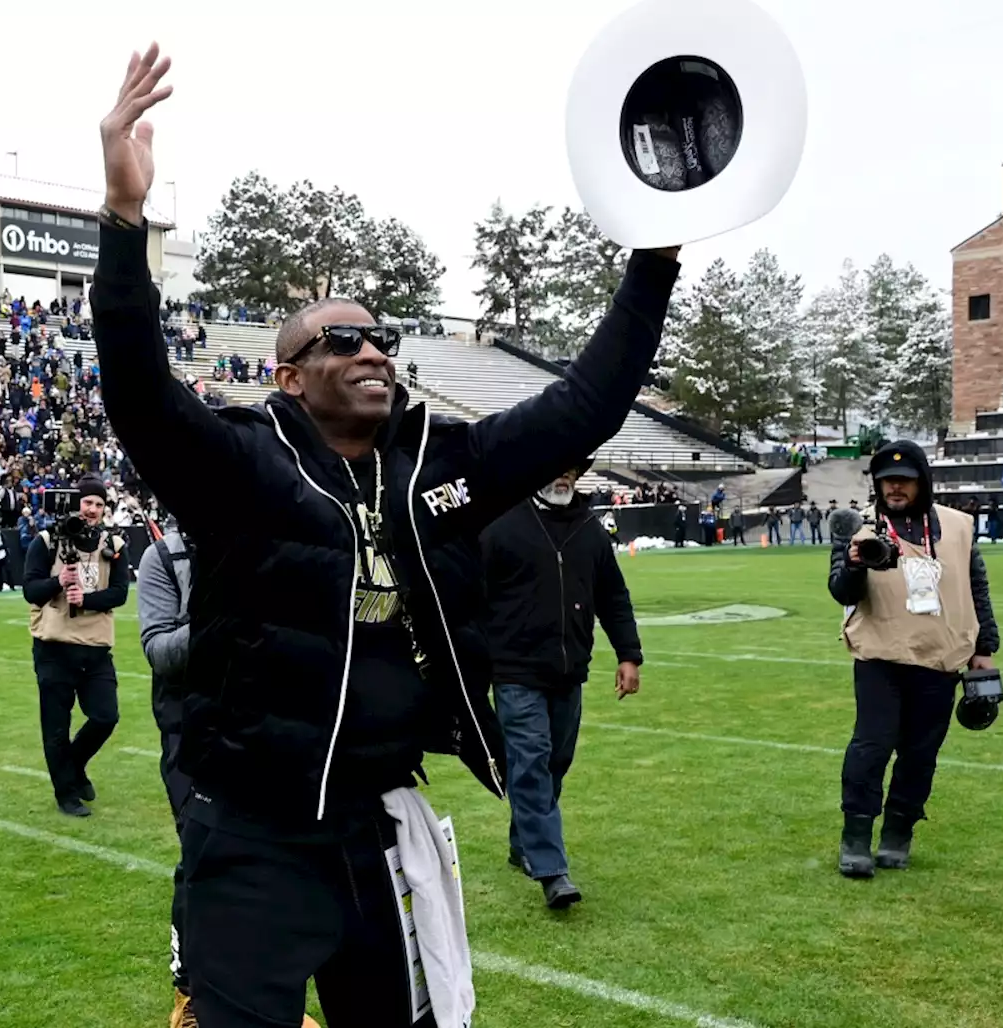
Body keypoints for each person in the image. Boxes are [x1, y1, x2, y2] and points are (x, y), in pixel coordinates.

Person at [91, 43, 678, 1028]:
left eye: (380, 336)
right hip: (255, 831)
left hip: (377, 823)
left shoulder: (439, 467)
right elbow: (139, 394)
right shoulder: (243, 466)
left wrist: (652, 262)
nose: (371, 348)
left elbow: (582, 408)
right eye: (340, 339)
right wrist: (122, 220)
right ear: (286, 375)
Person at [827, 441, 1001, 878]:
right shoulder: (859, 527)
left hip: (939, 658)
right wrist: (852, 565)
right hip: (880, 656)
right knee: (871, 746)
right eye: (888, 482)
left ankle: (899, 832)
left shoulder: (958, 527)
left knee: (921, 754)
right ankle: (856, 837)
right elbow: (840, 592)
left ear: (922, 482)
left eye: (904, 481)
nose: (895, 489)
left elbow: (975, 588)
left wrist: (985, 649)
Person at [480, 463, 642, 908]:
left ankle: (523, 842)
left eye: (571, 468)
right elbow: (471, 596)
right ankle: (552, 870)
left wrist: (629, 654)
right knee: (530, 760)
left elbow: (613, 594)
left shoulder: (590, 528)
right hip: (514, 670)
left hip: (570, 669)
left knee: (555, 761)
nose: (563, 476)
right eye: (554, 466)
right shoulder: (500, 524)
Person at [22, 476, 130, 817]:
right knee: (56, 726)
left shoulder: (113, 544)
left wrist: (85, 599)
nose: (93, 510)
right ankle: (66, 794)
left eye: (99, 504)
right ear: (75, 504)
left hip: (96, 646)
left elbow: (121, 593)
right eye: (88, 503)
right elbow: (30, 590)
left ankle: (74, 764)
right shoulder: (46, 541)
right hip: (55, 647)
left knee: (105, 716)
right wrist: (59, 582)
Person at [135, 525, 197, 1028]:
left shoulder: (265, 538)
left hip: (264, 729)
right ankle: (189, 991)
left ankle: (267, 991)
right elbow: (158, 650)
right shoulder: (164, 557)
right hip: (191, 735)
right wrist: (223, 611)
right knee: (200, 857)